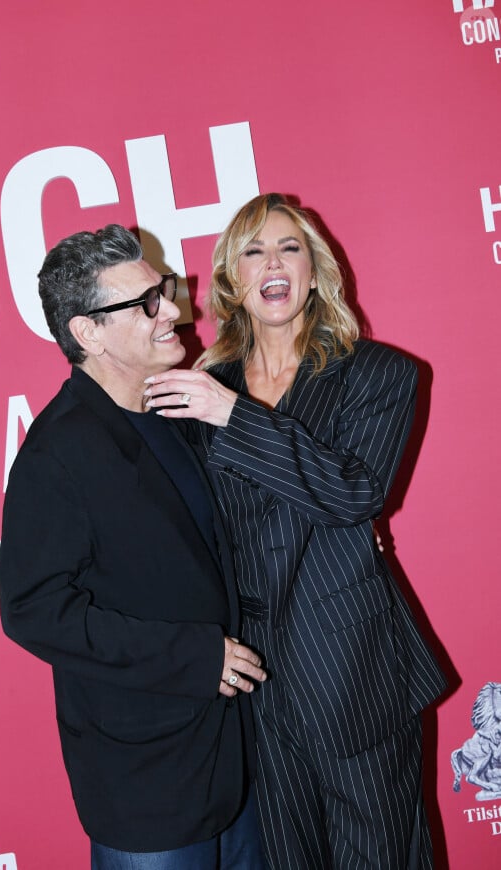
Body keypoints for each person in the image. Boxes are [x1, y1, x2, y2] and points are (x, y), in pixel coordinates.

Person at [143, 193, 448, 869]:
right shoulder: (202, 387)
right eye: (253, 250)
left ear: (315, 271)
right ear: (233, 280)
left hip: (355, 671)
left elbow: (353, 491)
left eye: (289, 247)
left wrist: (233, 415)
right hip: (253, 682)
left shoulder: (379, 373)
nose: (272, 262)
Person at [0, 224, 268, 870]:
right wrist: (191, 658)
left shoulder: (171, 410)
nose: (174, 310)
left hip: (233, 769)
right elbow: (33, 611)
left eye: (165, 291)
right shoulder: (55, 454)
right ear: (87, 333)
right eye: (147, 303)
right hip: (146, 790)